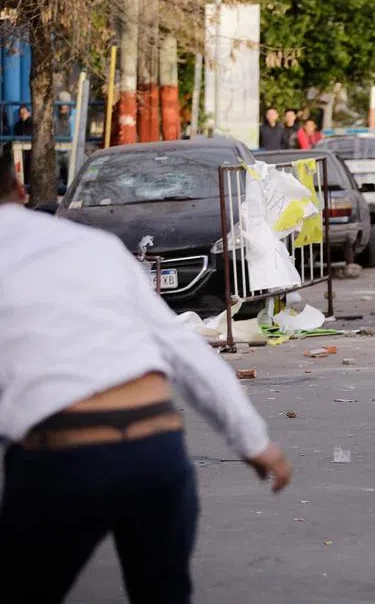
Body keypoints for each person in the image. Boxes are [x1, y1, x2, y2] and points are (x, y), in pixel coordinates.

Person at [0, 146, 293, 603]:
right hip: (155, 451)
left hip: (62, 456)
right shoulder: (91, 245)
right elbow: (183, 350)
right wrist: (254, 443)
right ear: (20, 187)